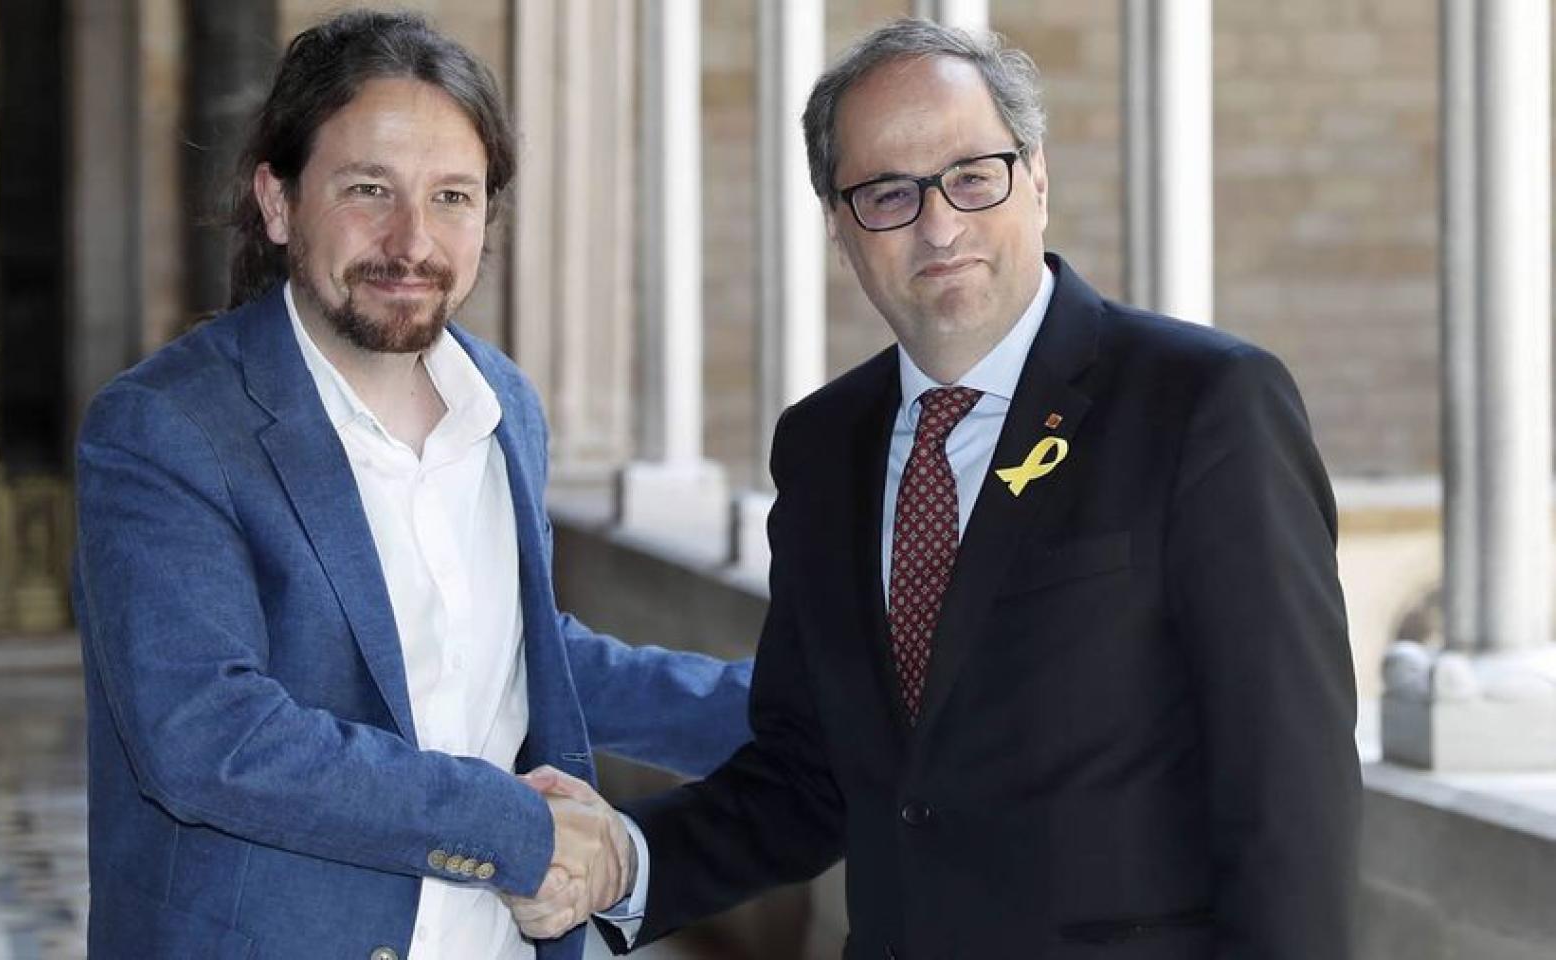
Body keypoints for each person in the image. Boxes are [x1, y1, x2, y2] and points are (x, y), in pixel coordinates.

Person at [578, 19, 1360, 959]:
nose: (938, 225)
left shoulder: (1203, 405)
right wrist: (620, 862)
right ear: (838, 224)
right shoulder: (822, 448)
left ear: (1036, 176)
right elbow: (814, 774)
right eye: (889, 194)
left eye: (972, 174)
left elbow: (1289, 790)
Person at [71, 11, 749, 960]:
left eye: (453, 197)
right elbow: (211, 737)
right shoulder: (167, 428)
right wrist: (522, 831)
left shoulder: (502, 404)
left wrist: (793, 713)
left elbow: (518, 661)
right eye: (367, 189)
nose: (412, 240)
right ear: (279, 203)